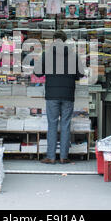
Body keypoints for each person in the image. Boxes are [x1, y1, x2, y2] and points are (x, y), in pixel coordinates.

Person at [33, 30, 84, 164]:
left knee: (52, 124)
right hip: (68, 94)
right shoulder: (73, 54)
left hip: (52, 95)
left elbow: (37, 73)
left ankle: (50, 157)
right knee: (66, 124)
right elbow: (80, 74)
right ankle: (63, 157)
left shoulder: (47, 54)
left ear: (54, 39)